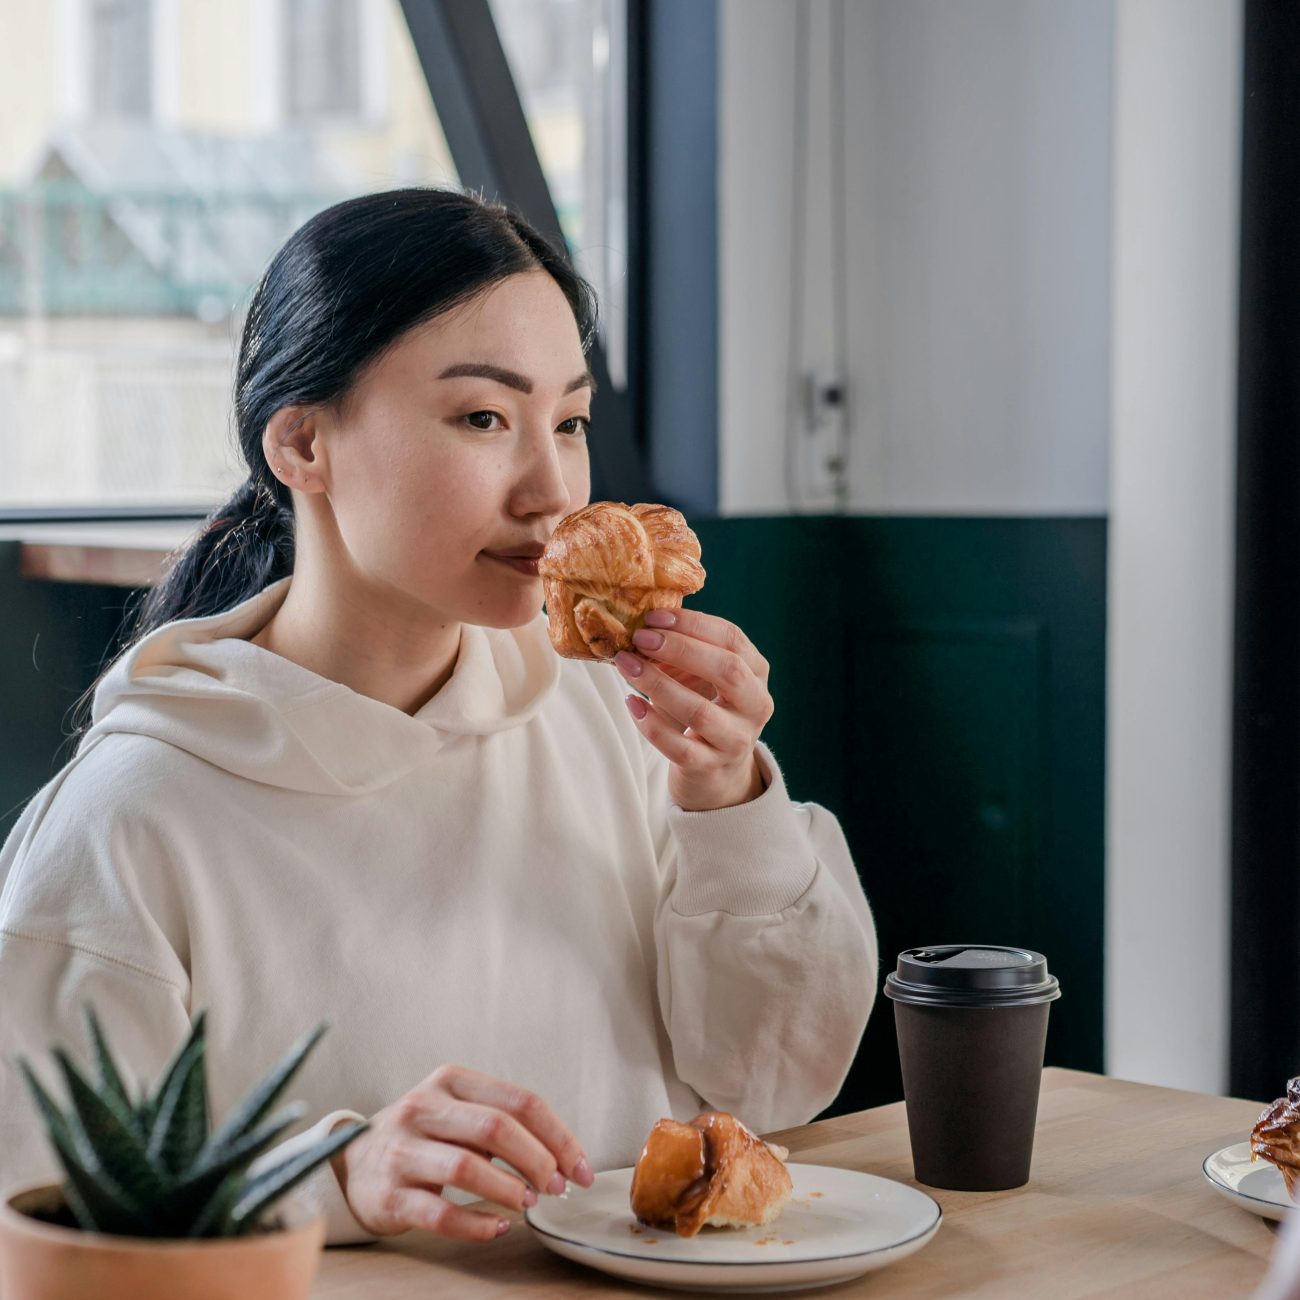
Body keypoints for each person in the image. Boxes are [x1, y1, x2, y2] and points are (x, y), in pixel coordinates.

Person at [0, 188, 877, 1245]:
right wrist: (333, 1175)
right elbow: (38, 1201)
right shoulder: (130, 818)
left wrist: (726, 795)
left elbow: (780, 1079)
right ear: (302, 445)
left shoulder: (612, 719)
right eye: (482, 418)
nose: (551, 490)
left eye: (570, 421)